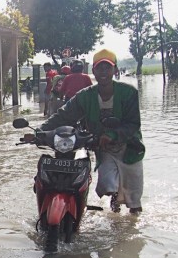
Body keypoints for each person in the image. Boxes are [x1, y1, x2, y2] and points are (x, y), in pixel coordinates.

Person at [26, 49, 145, 214]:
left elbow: (133, 124)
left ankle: (132, 225)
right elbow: (63, 116)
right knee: (108, 185)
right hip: (103, 147)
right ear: (93, 70)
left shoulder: (129, 93)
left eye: (107, 68)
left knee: (134, 198)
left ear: (114, 70)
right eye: (99, 68)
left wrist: (112, 135)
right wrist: (39, 132)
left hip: (129, 148)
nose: (103, 72)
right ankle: (114, 206)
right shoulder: (85, 96)